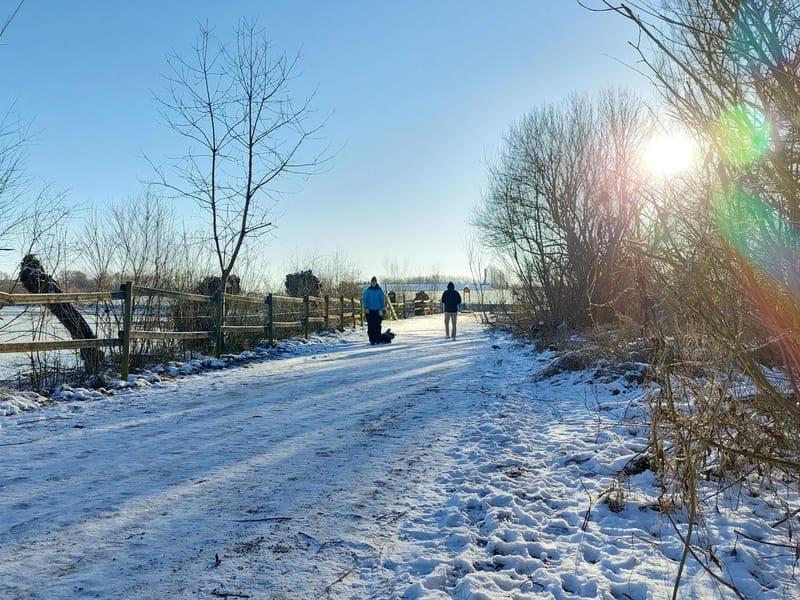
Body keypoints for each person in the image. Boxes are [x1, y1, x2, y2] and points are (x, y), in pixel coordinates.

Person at [362, 276, 386, 345]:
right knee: (370, 325)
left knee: (377, 325)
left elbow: (382, 300)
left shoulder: (380, 290)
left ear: (376, 282)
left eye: (374, 282)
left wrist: (382, 309)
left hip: (378, 310)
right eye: (372, 282)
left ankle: (378, 339)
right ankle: (372, 339)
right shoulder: (368, 291)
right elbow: (364, 299)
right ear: (371, 282)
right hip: (370, 311)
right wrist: (366, 307)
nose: (373, 283)